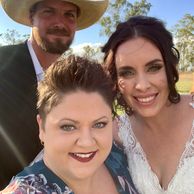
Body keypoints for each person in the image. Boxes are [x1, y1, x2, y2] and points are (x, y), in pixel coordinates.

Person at [0, 0, 108, 188]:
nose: (60, 23)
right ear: (31, 18)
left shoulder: (70, 79)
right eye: (49, 12)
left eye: (69, 15)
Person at [0, 55, 138, 194]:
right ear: (42, 128)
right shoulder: (25, 191)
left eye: (99, 124)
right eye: (68, 126)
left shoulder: (118, 157)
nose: (86, 142)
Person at [102, 15, 194, 194]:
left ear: (170, 67)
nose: (142, 85)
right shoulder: (115, 131)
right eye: (127, 72)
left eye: (154, 68)